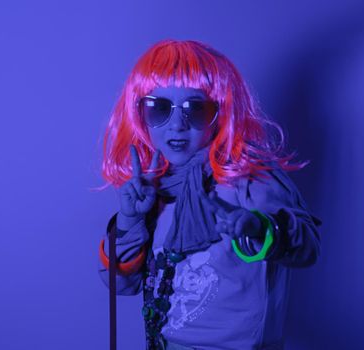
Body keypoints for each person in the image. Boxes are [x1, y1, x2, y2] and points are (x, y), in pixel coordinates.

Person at [96, 39, 322, 350]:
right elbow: (121, 284)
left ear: (222, 113)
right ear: (140, 115)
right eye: (159, 108)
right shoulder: (157, 188)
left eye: (196, 109)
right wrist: (130, 219)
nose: (177, 125)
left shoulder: (249, 180)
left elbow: (307, 247)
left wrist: (258, 228)